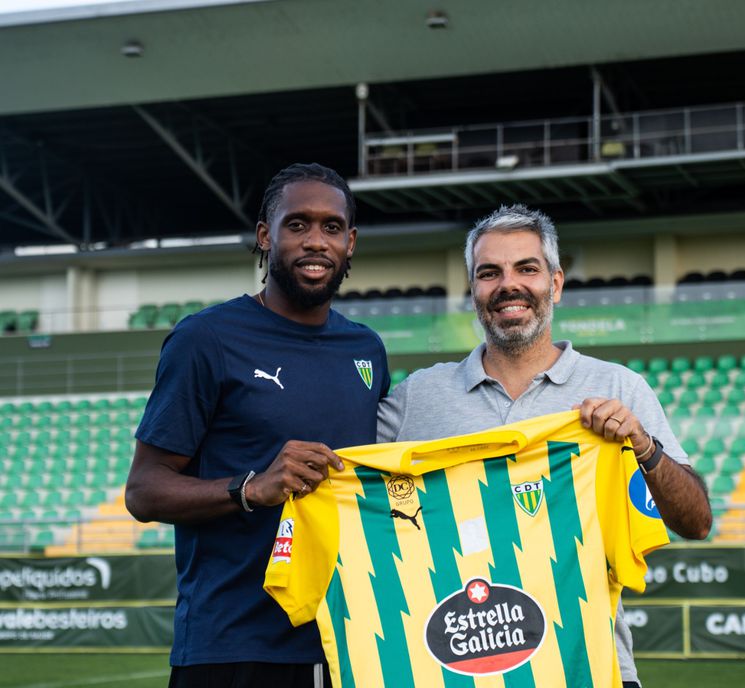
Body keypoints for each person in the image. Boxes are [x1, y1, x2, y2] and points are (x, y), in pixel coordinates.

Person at [377, 203, 711, 688]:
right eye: (489, 273)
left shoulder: (618, 388)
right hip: (452, 670)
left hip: (590, 669)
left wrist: (643, 445)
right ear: (473, 291)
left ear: (555, 283)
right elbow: (344, 483)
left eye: (526, 269)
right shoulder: (417, 398)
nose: (508, 285)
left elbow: (696, 522)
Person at [125, 163, 389, 688]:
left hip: (350, 642)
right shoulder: (206, 338)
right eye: (297, 225)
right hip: (232, 645)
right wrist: (253, 488)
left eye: (332, 227)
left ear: (351, 242)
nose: (316, 241)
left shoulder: (367, 349)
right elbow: (144, 491)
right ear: (266, 236)